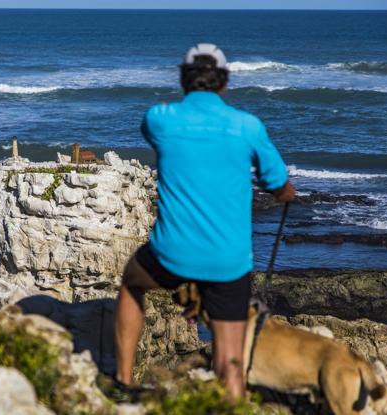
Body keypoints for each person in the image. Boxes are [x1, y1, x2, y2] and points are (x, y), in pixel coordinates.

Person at [113, 43, 296, 400]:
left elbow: (156, 136)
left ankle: (123, 381)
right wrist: (286, 192)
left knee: (131, 283)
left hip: (171, 256)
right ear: (224, 83)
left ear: (183, 79)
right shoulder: (247, 126)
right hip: (227, 262)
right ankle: (228, 404)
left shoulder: (159, 119)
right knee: (229, 358)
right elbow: (277, 184)